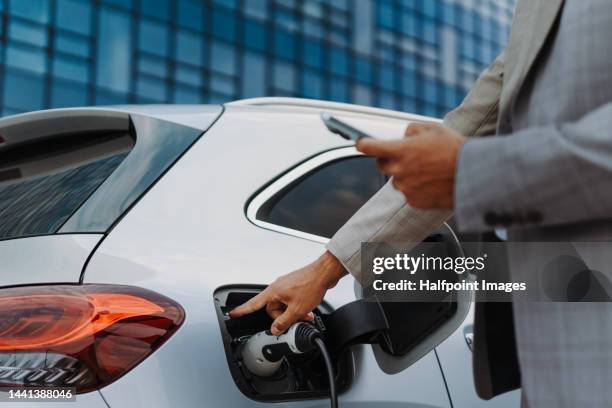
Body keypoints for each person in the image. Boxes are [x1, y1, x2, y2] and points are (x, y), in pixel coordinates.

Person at [232, 1, 612, 406]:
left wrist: (473, 171)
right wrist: (323, 271)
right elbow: (468, 131)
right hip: (553, 367)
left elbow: (463, 160)